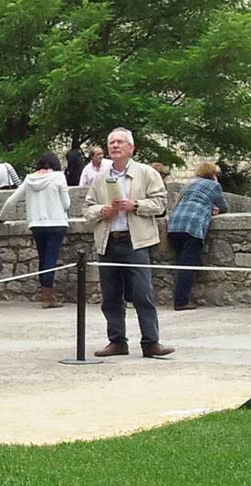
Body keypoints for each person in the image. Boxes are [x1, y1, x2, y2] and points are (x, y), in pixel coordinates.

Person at [83, 127, 172, 358]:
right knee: (110, 296)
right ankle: (117, 341)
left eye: (120, 142)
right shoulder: (101, 178)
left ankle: (151, 342)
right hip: (108, 241)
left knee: (143, 294)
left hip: (137, 242)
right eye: (111, 142)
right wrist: (103, 210)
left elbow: (161, 203)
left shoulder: (146, 173)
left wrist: (136, 206)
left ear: (131, 148)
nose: (114, 146)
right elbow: (87, 209)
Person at [0, 152, 73, 307]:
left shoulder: (30, 178)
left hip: (36, 224)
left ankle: (45, 294)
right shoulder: (59, 177)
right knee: (51, 259)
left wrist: (0, 217)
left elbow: (11, 200)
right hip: (57, 222)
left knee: (43, 257)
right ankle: (48, 297)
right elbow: (66, 204)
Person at [164, 163, 230, 311]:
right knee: (187, 264)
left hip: (175, 223)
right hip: (192, 224)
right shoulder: (213, 185)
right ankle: (181, 301)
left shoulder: (189, 183)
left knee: (181, 262)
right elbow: (225, 207)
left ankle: (180, 296)